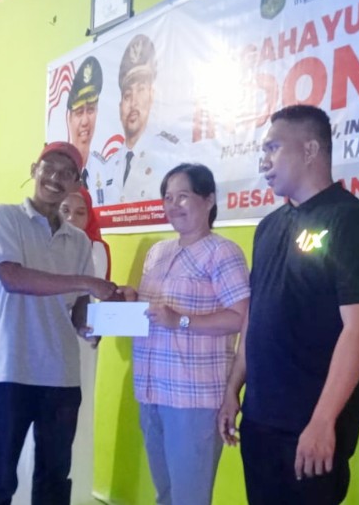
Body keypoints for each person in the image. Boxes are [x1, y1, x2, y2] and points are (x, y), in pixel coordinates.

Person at [218, 105, 359, 504]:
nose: (264, 161)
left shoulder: (351, 222)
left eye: (273, 148)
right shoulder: (268, 227)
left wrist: (323, 421)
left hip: (310, 424)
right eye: (263, 150)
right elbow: (254, 318)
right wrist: (233, 389)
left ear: (310, 150)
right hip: (260, 419)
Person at [0, 141, 118, 505]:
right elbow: (13, 278)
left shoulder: (79, 242)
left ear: (76, 183)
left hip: (62, 375)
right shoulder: (2, 217)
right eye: (49, 169)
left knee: (55, 477)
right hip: (11, 369)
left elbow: (79, 313)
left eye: (67, 173)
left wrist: (105, 319)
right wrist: (87, 282)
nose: (56, 178)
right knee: (0, 475)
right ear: (34, 170)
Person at [122, 163, 250, 505]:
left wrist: (181, 320)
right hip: (151, 391)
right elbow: (154, 315)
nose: (173, 205)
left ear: (208, 200)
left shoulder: (222, 252)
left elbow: (242, 318)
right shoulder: (158, 252)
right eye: (167, 197)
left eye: (183, 196)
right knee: (165, 494)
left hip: (193, 399)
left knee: (189, 498)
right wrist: (131, 300)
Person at [89, 34, 179, 206]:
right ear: (120, 107)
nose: (133, 102)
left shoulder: (167, 155)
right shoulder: (108, 166)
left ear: (152, 96)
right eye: (127, 95)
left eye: (141, 90)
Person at [65, 55, 108, 190]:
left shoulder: (106, 172)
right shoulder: (60, 174)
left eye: (90, 110)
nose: (85, 121)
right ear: (70, 118)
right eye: (79, 112)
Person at [60, 188, 112, 280]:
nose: (71, 218)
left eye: (80, 213)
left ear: (89, 217)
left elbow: (96, 285)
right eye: (65, 211)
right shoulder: (43, 241)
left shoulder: (96, 247)